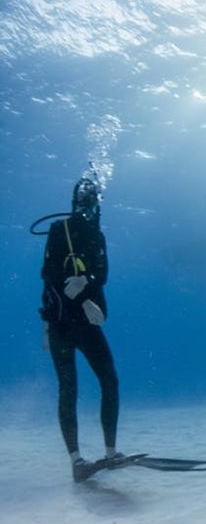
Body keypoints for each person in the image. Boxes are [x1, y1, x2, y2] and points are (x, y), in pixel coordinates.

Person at [39, 177, 123, 482]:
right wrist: (46, 322)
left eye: (91, 202)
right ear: (75, 203)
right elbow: (48, 274)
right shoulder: (59, 230)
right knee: (69, 388)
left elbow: (103, 274)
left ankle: (111, 452)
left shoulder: (97, 236)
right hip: (61, 324)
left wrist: (86, 284)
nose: (86, 208)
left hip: (88, 324)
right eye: (82, 202)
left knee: (109, 380)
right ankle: (76, 461)